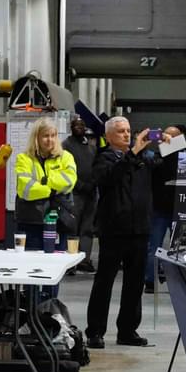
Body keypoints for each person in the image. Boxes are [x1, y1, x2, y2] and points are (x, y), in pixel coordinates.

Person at [85, 117, 170, 349]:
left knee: (135, 283)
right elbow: (109, 177)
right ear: (108, 136)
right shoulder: (104, 158)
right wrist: (132, 152)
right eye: (121, 131)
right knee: (104, 281)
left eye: (129, 131)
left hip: (140, 228)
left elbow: (164, 166)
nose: (126, 135)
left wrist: (169, 143)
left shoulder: (143, 158)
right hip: (113, 230)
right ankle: (95, 331)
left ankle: (127, 330)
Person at [15, 117, 78, 299]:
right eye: (45, 136)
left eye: (53, 135)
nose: (50, 140)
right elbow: (25, 189)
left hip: (57, 223)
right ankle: (31, 308)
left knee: (53, 270)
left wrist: (42, 183)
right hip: (31, 222)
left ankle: (49, 308)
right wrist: (52, 189)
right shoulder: (23, 158)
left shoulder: (66, 157)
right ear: (36, 137)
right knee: (30, 270)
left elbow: (69, 182)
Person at [145, 123, 186, 292]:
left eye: (171, 137)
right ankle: (150, 280)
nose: (166, 139)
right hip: (159, 209)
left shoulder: (185, 158)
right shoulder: (156, 157)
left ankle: (180, 281)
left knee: (180, 248)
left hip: (179, 210)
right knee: (154, 247)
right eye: (164, 135)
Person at [62, 117, 99, 272]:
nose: (79, 127)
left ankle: (84, 260)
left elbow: (96, 167)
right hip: (74, 193)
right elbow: (64, 169)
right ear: (71, 127)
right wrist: (80, 185)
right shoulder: (65, 146)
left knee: (87, 228)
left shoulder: (91, 147)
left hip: (91, 193)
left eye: (82, 125)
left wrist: (93, 184)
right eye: (76, 125)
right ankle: (70, 263)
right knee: (72, 228)